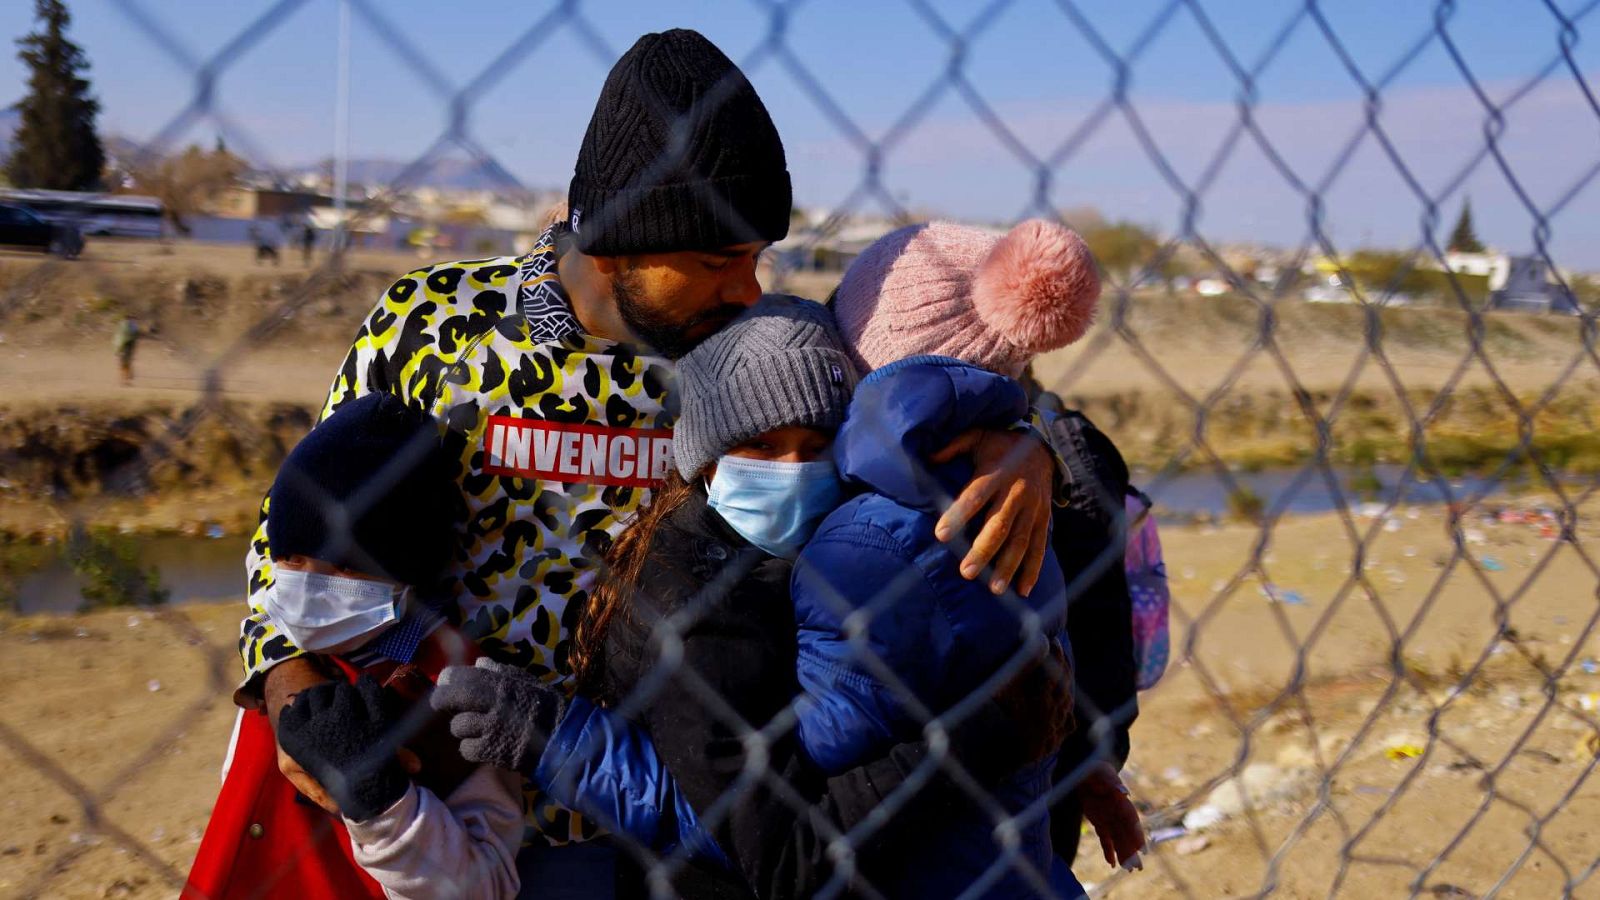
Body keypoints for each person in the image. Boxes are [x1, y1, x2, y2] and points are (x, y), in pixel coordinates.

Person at [217, 27, 1062, 897]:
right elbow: (293, 540)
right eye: (714, 260)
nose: (746, 286)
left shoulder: (752, 350)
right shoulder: (436, 326)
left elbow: (905, 411)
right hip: (455, 823)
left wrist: (1025, 442)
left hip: (688, 825)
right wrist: (293, 693)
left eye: (755, 257)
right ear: (620, 239)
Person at [434, 295, 1077, 898]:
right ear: (708, 459)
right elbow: (786, 857)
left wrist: (1019, 441)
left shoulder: (835, 540)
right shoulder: (698, 610)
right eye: (761, 447)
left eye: (815, 446)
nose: (793, 470)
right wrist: (985, 730)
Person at [263, 392, 523, 899]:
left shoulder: (461, 692)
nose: (307, 587)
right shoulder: (286, 663)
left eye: (341, 566)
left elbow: (487, 884)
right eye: (291, 558)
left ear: (406, 571)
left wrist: (383, 803)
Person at [113, 315, 139, 385]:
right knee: (126, 364)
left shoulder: (121, 325)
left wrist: (116, 350)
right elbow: (134, 335)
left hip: (121, 346)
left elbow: (117, 338)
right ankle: (126, 380)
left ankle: (124, 380)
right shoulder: (131, 325)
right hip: (126, 346)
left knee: (123, 364)